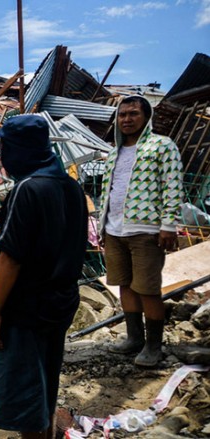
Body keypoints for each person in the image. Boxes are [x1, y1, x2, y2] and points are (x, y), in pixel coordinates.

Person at [0, 115, 87, 439]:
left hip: (27, 308)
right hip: (61, 302)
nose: (1, 156)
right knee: (46, 381)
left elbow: (11, 257)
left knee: (25, 396)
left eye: (4, 147)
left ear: (20, 150)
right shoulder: (71, 187)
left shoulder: (27, 189)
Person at [100, 95, 184, 367]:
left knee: (147, 289)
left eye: (133, 114)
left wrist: (168, 224)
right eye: (122, 114)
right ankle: (133, 338)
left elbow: (173, 186)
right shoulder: (114, 152)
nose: (126, 119)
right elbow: (107, 192)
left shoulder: (162, 146)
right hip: (114, 230)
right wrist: (102, 226)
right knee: (124, 285)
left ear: (146, 118)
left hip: (146, 230)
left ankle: (153, 346)